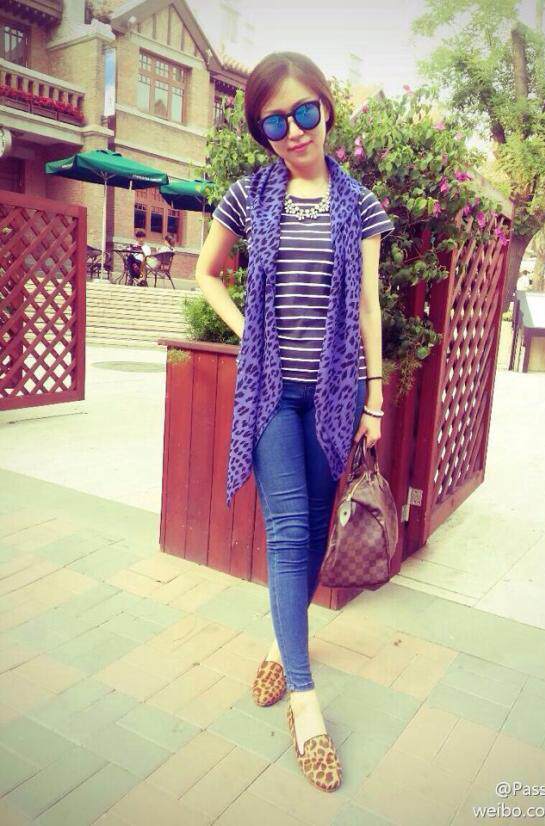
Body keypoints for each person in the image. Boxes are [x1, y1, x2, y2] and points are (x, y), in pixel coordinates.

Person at [195, 51, 394, 792]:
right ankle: (305, 705)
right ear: (263, 132)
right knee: (287, 533)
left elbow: (369, 306)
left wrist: (375, 398)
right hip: (272, 394)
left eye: (304, 112)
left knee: (311, 529)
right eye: (275, 122)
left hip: (335, 394)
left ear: (326, 109)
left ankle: (284, 647)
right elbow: (206, 274)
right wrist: (249, 332)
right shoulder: (248, 197)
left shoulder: (360, 204)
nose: (294, 130)